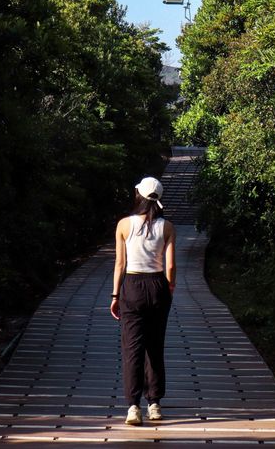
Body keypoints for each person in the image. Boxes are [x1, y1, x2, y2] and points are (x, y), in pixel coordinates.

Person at [110, 176, 176, 426]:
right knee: (155, 346)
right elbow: (170, 266)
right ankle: (155, 404)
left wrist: (115, 295)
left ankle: (133, 407)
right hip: (158, 285)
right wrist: (169, 289)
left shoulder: (124, 225)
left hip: (132, 287)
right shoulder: (167, 227)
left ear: (138, 194)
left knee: (132, 349)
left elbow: (120, 264)